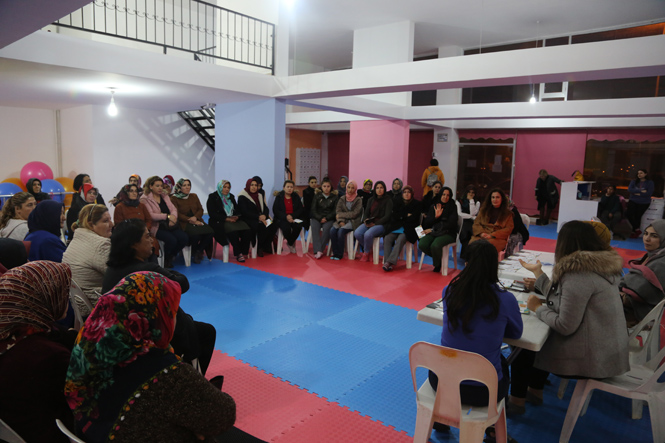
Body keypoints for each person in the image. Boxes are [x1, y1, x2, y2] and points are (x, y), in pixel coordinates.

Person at [65, 271, 235, 442]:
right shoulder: (164, 371)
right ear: (156, 318)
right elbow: (223, 415)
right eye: (173, 312)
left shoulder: (86, 345)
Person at [509, 221, 629, 414]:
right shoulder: (600, 267)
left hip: (593, 360)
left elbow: (565, 325)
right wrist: (539, 274)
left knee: (524, 346)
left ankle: (517, 402)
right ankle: (534, 390)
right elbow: (565, 298)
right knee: (538, 340)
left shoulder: (578, 274)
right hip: (607, 351)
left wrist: (538, 308)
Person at [428, 240, 522, 435]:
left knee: (456, 354)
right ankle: (492, 429)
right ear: (494, 266)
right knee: (503, 363)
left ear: (466, 264)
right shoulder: (506, 299)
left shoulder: (450, 291)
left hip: (442, 383)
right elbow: (516, 334)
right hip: (483, 392)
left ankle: (441, 417)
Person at [102, 219, 216, 375]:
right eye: (147, 236)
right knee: (207, 332)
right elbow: (182, 284)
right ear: (134, 244)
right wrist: (163, 271)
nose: (151, 240)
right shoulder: (147, 271)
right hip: (153, 336)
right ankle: (193, 375)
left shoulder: (112, 269)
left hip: (122, 334)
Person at [0, 261, 77, 443]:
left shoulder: (11, 334)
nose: (67, 299)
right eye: (63, 293)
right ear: (43, 297)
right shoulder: (47, 355)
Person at [62, 204, 113, 316]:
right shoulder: (100, 244)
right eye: (106, 221)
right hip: (98, 309)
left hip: (79, 307)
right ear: (91, 224)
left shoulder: (77, 240)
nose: (112, 224)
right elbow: (119, 275)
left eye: (110, 219)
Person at [620, 219, 665, 326]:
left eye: (654, 236)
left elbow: (641, 293)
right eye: (645, 234)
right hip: (631, 306)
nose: (647, 239)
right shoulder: (652, 256)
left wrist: (617, 294)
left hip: (639, 313)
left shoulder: (661, 263)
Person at [140, 176, 188, 268]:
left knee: (184, 238)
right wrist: (167, 216)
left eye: (161, 186)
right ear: (151, 186)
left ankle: (171, 256)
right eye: (157, 186)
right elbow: (151, 215)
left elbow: (173, 209)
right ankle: (166, 258)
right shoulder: (145, 199)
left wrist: (173, 217)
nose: (160, 188)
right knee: (172, 240)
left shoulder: (164, 195)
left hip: (170, 224)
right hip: (157, 227)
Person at [170, 178, 214, 264]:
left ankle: (198, 251)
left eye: (188, 185)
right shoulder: (174, 198)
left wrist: (195, 217)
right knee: (195, 235)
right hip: (184, 222)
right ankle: (194, 251)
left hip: (196, 220)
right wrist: (189, 220)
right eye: (184, 185)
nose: (187, 187)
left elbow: (200, 209)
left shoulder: (194, 196)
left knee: (210, 231)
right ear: (179, 187)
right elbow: (177, 213)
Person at [207, 180, 251, 263]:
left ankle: (243, 251)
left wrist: (236, 217)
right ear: (220, 187)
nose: (227, 189)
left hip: (232, 220)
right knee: (233, 231)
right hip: (219, 221)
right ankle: (238, 253)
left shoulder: (231, 196)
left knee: (247, 230)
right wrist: (226, 219)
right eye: (224, 187)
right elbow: (212, 214)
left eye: (228, 187)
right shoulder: (213, 197)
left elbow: (237, 210)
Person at [418, 186, 458, 273]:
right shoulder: (434, 206)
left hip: (448, 233)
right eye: (443, 194)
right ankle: (439, 259)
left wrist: (433, 229)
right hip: (434, 232)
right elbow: (427, 223)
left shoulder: (453, 207)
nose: (445, 197)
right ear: (440, 195)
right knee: (422, 244)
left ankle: (437, 264)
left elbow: (450, 224)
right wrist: (435, 217)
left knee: (435, 245)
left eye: (448, 195)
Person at [382, 185, 421, 271]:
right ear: (402, 194)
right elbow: (395, 216)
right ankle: (387, 262)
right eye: (404, 192)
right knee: (387, 238)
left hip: (409, 229)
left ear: (412, 194)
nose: (406, 194)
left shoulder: (417, 204)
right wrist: (406, 215)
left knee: (400, 239)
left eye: (408, 192)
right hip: (397, 227)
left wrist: (402, 216)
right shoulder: (398, 202)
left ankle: (389, 262)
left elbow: (414, 218)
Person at [354, 181, 392, 262]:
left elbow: (387, 216)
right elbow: (366, 213)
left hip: (381, 224)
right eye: (377, 188)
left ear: (384, 189)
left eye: (381, 188)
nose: (379, 190)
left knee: (368, 234)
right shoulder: (371, 199)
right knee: (357, 233)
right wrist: (366, 220)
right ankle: (370, 250)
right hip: (370, 222)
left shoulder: (388, 200)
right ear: (374, 189)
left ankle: (366, 252)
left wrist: (375, 224)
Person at [238, 178, 277, 256]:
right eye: (252, 185)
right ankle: (259, 247)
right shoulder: (242, 196)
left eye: (256, 185)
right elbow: (244, 212)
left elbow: (265, 208)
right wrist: (258, 217)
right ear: (248, 185)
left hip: (261, 218)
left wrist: (264, 215)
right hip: (249, 219)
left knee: (273, 225)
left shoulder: (259, 195)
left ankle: (264, 245)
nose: (254, 187)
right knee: (262, 226)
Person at [469, 188, 514, 254]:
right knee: (473, 244)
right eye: (493, 197)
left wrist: (492, 235)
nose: (495, 199)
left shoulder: (508, 214)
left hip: (497, 238)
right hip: (482, 235)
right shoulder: (483, 210)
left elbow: (508, 229)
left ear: (502, 199)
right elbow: (476, 224)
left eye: (497, 197)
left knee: (486, 246)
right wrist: (481, 233)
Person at [329, 180, 363, 260]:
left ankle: (340, 254)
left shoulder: (358, 200)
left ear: (355, 189)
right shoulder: (342, 198)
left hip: (353, 221)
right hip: (341, 220)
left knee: (341, 231)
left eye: (352, 188)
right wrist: (341, 221)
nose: (350, 190)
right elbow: (338, 211)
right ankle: (335, 252)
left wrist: (341, 215)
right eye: (349, 187)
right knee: (332, 230)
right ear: (346, 188)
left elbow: (354, 214)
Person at [272, 180, 305, 254]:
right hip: (282, 218)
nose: (289, 188)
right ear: (284, 188)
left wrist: (292, 216)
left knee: (298, 226)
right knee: (286, 228)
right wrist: (286, 217)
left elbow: (300, 209)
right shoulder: (279, 196)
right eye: (288, 187)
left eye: (291, 187)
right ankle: (291, 243)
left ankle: (289, 243)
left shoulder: (296, 196)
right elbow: (275, 210)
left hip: (294, 218)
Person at [310, 178, 338, 259]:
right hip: (317, 217)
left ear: (331, 187)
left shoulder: (335, 197)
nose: (326, 188)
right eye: (324, 186)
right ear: (321, 187)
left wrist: (327, 218)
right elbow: (313, 209)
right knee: (315, 228)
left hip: (329, 218)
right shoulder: (317, 196)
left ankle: (320, 250)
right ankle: (317, 250)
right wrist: (320, 218)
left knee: (327, 229)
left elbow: (335, 210)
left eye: (328, 186)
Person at [626, 168, 654, 237]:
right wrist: (641, 191)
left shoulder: (650, 182)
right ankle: (637, 229)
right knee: (628, 214)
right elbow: (630, 189)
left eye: (641, 173)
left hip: (644, 202)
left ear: (645, 174)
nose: (639, 175)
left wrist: (636, 193)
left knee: (637, 217)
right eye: (638, 173)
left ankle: (634, 233)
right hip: (633, 200)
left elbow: (649, 193)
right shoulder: (634, 181)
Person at [457, 185, 480, 259]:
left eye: (473, 192)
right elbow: (459, 214)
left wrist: (471, 201)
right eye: (469, 192)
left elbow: (473, 213)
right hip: (462, 222)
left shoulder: (477, 202)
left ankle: (469, 255)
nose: (471, 194)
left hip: (472, 222)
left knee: (473, 233)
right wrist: (471, 216)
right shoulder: (459, 201)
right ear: (466, 192)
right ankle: (466, 255)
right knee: (465, 233)